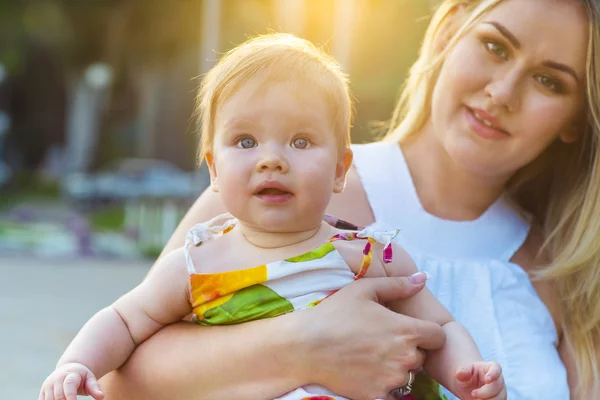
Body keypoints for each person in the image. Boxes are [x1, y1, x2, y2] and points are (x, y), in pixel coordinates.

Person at [98, 0, 600, 399]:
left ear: (576, 118)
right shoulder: (273, 194)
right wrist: (307, 347)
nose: (503, 92)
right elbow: (117, 384)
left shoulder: (565, 272)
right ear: (448, 31)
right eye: (495, 46)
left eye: (549, 81)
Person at [39, 34, 508, 400]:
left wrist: (468, 371)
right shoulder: (198, 263)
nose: (272, 159)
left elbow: (441, 327)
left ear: (341, 170)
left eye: (300, 141)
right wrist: (77, 364)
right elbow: (122, 321)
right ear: (214, 170)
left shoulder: (369, 256)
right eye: (246, 141)